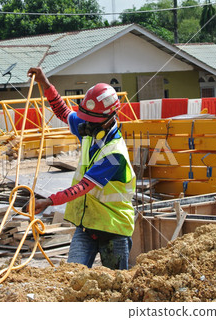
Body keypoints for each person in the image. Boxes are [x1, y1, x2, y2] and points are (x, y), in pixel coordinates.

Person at [27, 67, 136, 270]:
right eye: (85, 118)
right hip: (86, 225)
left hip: (114, 228)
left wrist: (49, 201)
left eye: (91, 121)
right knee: (72, 277)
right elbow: (62, 111)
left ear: (110, 117)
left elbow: (83, 187)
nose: (85, 124)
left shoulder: (115, 153)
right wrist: (44, 83)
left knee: (115, 285)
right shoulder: (90, 127)